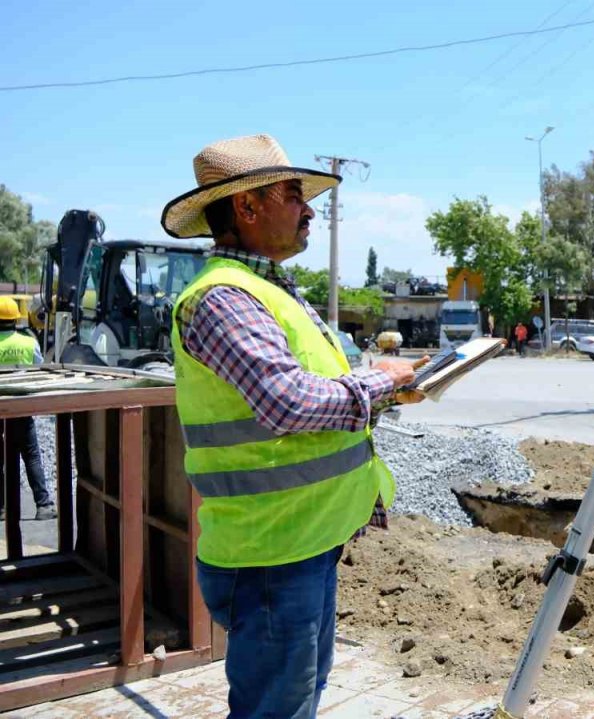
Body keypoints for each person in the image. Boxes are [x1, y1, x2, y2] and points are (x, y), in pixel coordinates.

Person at [161, 134, 422, 718]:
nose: (308, 210)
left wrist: (383, 385)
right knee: (276, 708)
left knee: (298, 696)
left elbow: (310, 396)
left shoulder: (267, 291)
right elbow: (288, 403)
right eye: (293, 195)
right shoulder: (223, 299)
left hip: (300, 542)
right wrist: (381, 382)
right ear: (247, 207)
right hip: (269, 553)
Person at [0, 297, 55, 521]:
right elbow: (40, 369)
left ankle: (1, 509)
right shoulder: (28, 343)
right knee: (31, 456)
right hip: (22, 407)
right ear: (15, 319)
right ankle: (43, 505)